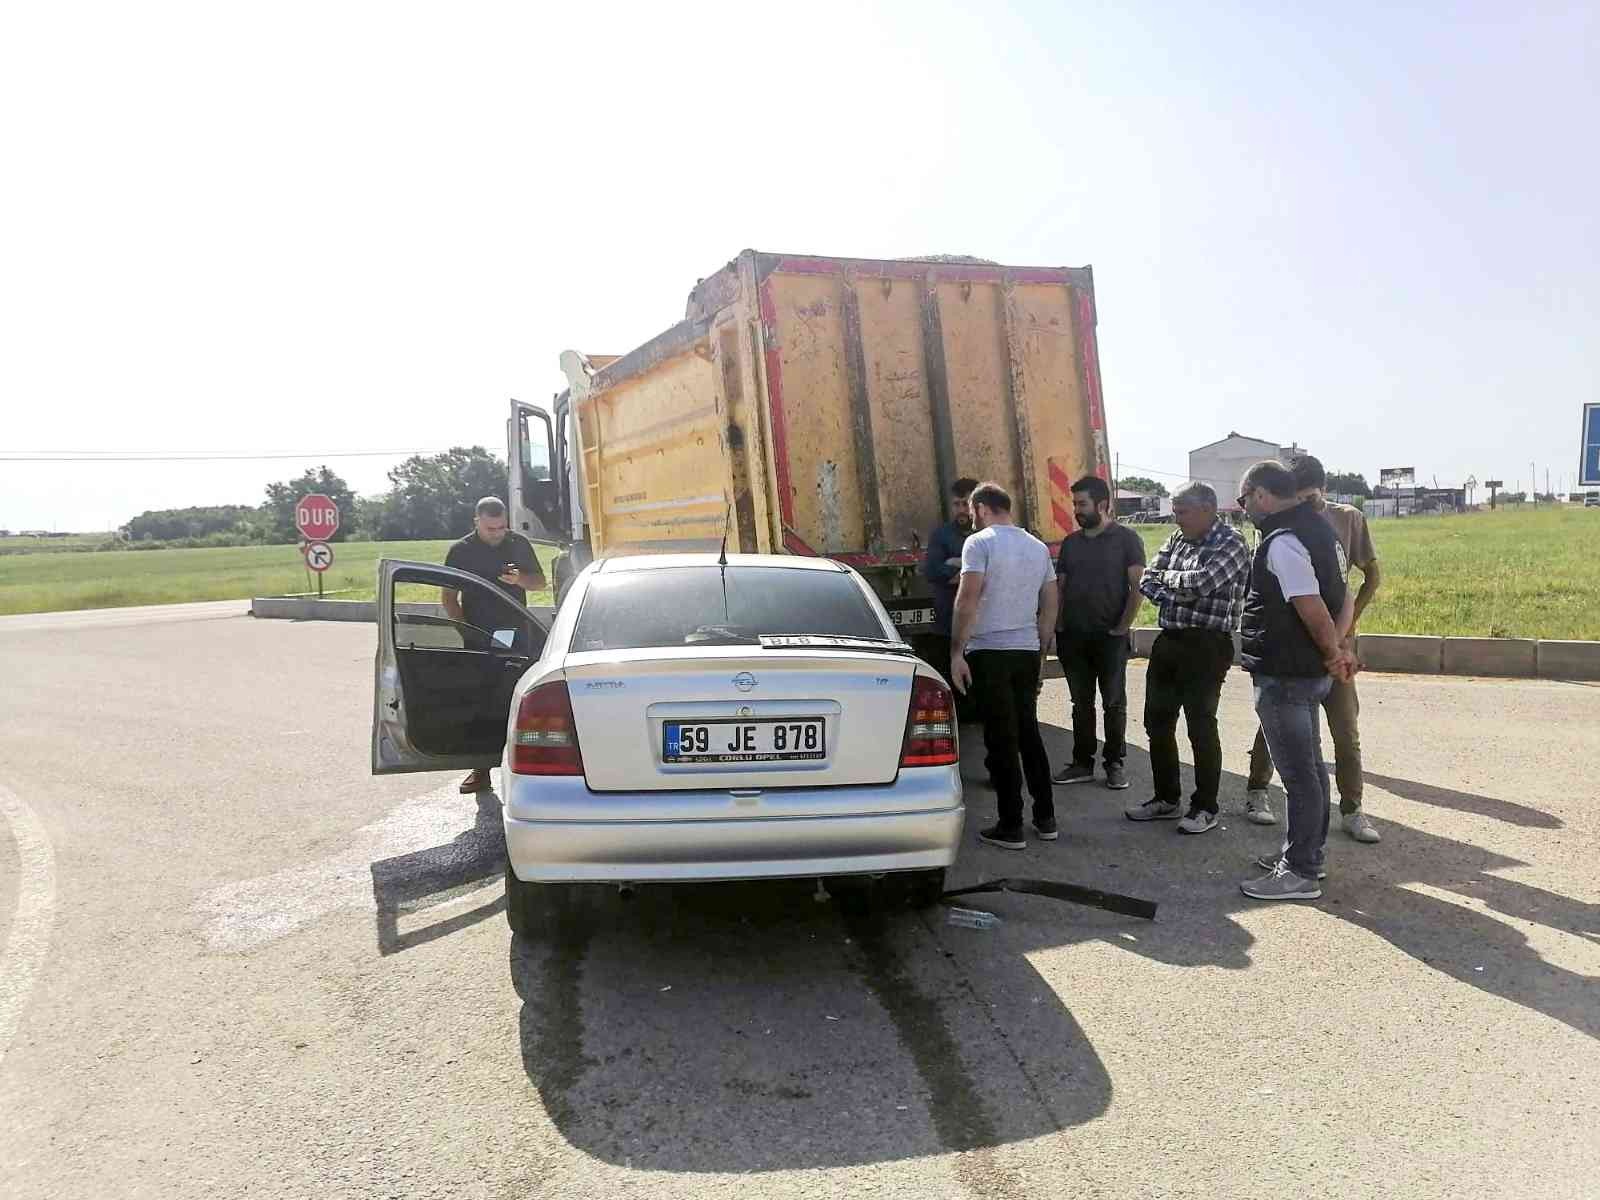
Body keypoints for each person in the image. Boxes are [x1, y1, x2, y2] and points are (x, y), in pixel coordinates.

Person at [1243, 455, 1382, 843]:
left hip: (1326, 647)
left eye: (1310, 499)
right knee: (1288, 741)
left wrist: (1338, 644)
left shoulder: (1338, 522)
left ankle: (1349, 811)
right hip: (1316, 650)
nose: (1304, 506)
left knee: (1339, 733)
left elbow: (1341, 592)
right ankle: (1257, 790)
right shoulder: (1281, 526)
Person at [1235, 461, 1357, 901]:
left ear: (1261, 495)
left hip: (1286, 674)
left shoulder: (1283, 542)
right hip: (1308, 674)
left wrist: (1332, 653)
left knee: (1300, 776)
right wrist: (1338, 651)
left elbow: (1312, 607)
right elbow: (1345, 599)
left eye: (1243, 499)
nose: (1242, 507)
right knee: (1310, 771)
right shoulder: (1321, 530)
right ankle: (1307, 855)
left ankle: (1301, 870)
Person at [1131, 483, 1251, 834]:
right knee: (1158, 722)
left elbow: (1202, 584)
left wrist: (1169, 584)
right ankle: (1166, 799)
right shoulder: (1177, 539)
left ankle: (1205, 807)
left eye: (1182, 512)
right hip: (1169, 641)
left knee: (1200, 725)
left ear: (1206, 510)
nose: (1176, 518)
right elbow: (1146, 581)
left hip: (1207, 645)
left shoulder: (1231, 543)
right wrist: (1173, 586)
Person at [949, 482, 1059, 850]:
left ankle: (1011, 825)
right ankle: (1046, 818)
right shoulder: (1037, 546)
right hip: (1026, 651)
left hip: (989, 651)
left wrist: (956, 652)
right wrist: (1041, 654)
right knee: (1028, 733)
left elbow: (967, 599)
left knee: (1000, 738)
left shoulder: (979, 544)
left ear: (981, 508)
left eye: (970, 509)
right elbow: (1050, 604)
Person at [442, 496, 548, 794]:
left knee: (518, 700)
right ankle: (480, 768)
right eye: (491, 528)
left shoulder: (518, 544)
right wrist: (466, 632)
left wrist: (519, 579)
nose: (497, 533)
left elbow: (540, 583)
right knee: (481, 702)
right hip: (479, 638)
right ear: (476, 521)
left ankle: (528, 767)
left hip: (517, 637)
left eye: (501, 527)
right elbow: (449, 597)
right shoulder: (460, 551)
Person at [1050, 475, 1145, 791]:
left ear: (1102, 504)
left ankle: (1114, 763)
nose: (1076, 509)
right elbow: (1061, 587)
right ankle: (1082, 763)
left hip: (1110, 639)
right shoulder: (1071, 543)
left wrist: (1122, 628)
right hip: (1074, 638)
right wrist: (1059, 625)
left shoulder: (1127, 540)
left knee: (1114, 703)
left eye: (1082, 504)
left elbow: (1137, 588)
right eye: (1074, 503)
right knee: (1081, 703)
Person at [921, 477, 979, 719]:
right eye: (957, 504)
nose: (961, 510)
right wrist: (971, 572)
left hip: (982, 626)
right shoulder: (942, 536)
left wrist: (955, 565)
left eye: (966, 504)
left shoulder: (987, 536)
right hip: (949, 623)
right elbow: (932, 571)